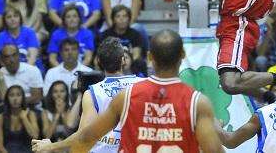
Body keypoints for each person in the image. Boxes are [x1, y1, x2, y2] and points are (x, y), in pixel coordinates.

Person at [32, 30, 225, 153]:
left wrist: (51, 146)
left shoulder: (128, 95)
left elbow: (86, 136)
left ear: (150, 57)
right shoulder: (198, 102)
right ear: (182, 56)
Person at [0, 85, 39, 153]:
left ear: (23, 98)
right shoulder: (0, 117)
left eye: (18, 95)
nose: (15, 99)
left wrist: (24, 118)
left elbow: (35, 136)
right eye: (11, 95)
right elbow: (0, 146)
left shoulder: (30, 114)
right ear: (7, 98)